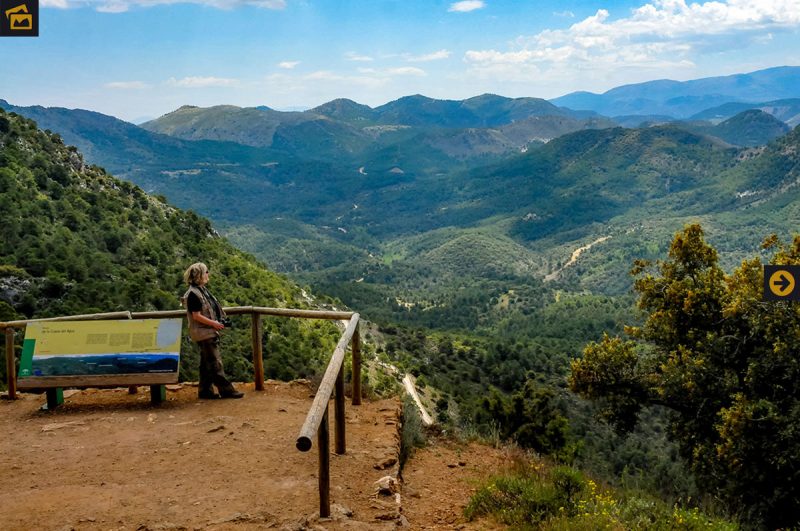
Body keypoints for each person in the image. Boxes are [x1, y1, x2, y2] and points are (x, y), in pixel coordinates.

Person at [182, 262, 244, 399]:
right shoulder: (193, 294)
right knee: (215, 363)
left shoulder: (199, 290)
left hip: (205, 331)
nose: (208, 274)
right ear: (200, 275)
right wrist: (214, 324)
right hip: (204, 332)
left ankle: (205, 391)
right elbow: (196, 316)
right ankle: (227, 390)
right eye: (206, 272)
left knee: (206, 364)